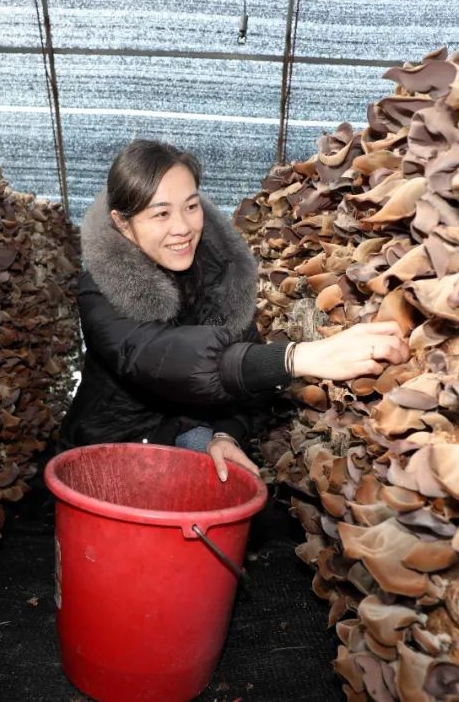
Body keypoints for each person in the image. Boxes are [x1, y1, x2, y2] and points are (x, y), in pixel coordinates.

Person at [57, 140, 409, 481]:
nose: (182, 227)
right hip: (109, 448)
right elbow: (156, 357)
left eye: (191, 207)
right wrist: (292, 358)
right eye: (160, 214)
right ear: (122, 224)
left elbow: (249, 388)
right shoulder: (100, 288)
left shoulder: (221, 280)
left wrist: (226, 435)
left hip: (188, 431)